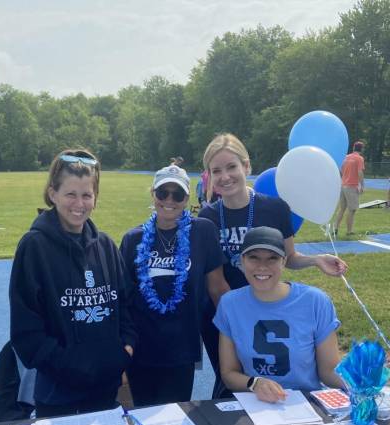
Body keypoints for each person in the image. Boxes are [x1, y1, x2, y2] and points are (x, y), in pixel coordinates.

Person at [198, 133, 347, 397]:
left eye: (231, 167)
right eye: (216, 170)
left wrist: (314, 260)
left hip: (271, 306)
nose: (225, 176)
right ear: (209, 175)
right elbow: (215, 282)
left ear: (246, 166)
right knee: (233, 381)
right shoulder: (208, 216)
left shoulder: (275, 208)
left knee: (279, 375)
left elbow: (288, 258)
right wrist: (237, 319)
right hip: (228, 312)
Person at [9, 149, 137, 418]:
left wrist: (125, 348)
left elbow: (126, 304)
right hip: (57, 395)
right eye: (70, 194)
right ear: (52, 193)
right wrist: (74, 366)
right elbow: (26, 333)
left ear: (95, 198)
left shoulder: (105, 246)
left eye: (86, 195)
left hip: (105, 390)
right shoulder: (34, 247)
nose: (79, 203)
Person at [120, 164, 229, 407]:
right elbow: (123, 299)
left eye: (177, 194)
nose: (169, 200)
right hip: (141, 349)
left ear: (186, 198)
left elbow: (217, 288)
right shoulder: (133, 239)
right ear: (153, 195)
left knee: (173, 418)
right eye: (163, 193)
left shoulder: (202, 232)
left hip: (181, 349)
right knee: (141, 416)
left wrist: (241, 327)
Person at [214, 226, 344, 402]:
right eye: (254, 258)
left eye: (272, 258)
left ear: (283, 261)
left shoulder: (315, 301)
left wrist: (366, 379)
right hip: (255, 404)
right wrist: (255, 383)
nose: (262, 266)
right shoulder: (230, 304)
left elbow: (328, 372)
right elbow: (229, 373)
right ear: (242, 261)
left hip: (306, 404)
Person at [334, 141, 365, 235]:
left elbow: (340, 170)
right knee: (352, 210)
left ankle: (335, 229)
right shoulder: (359, 158)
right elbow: (360, 172)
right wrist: (362, 185)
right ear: (362, 149)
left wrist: (344, 179)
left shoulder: (346, 157)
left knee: (342, 209)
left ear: (353, 148)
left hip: (343, 186)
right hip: (352, 186)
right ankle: (349, 231)